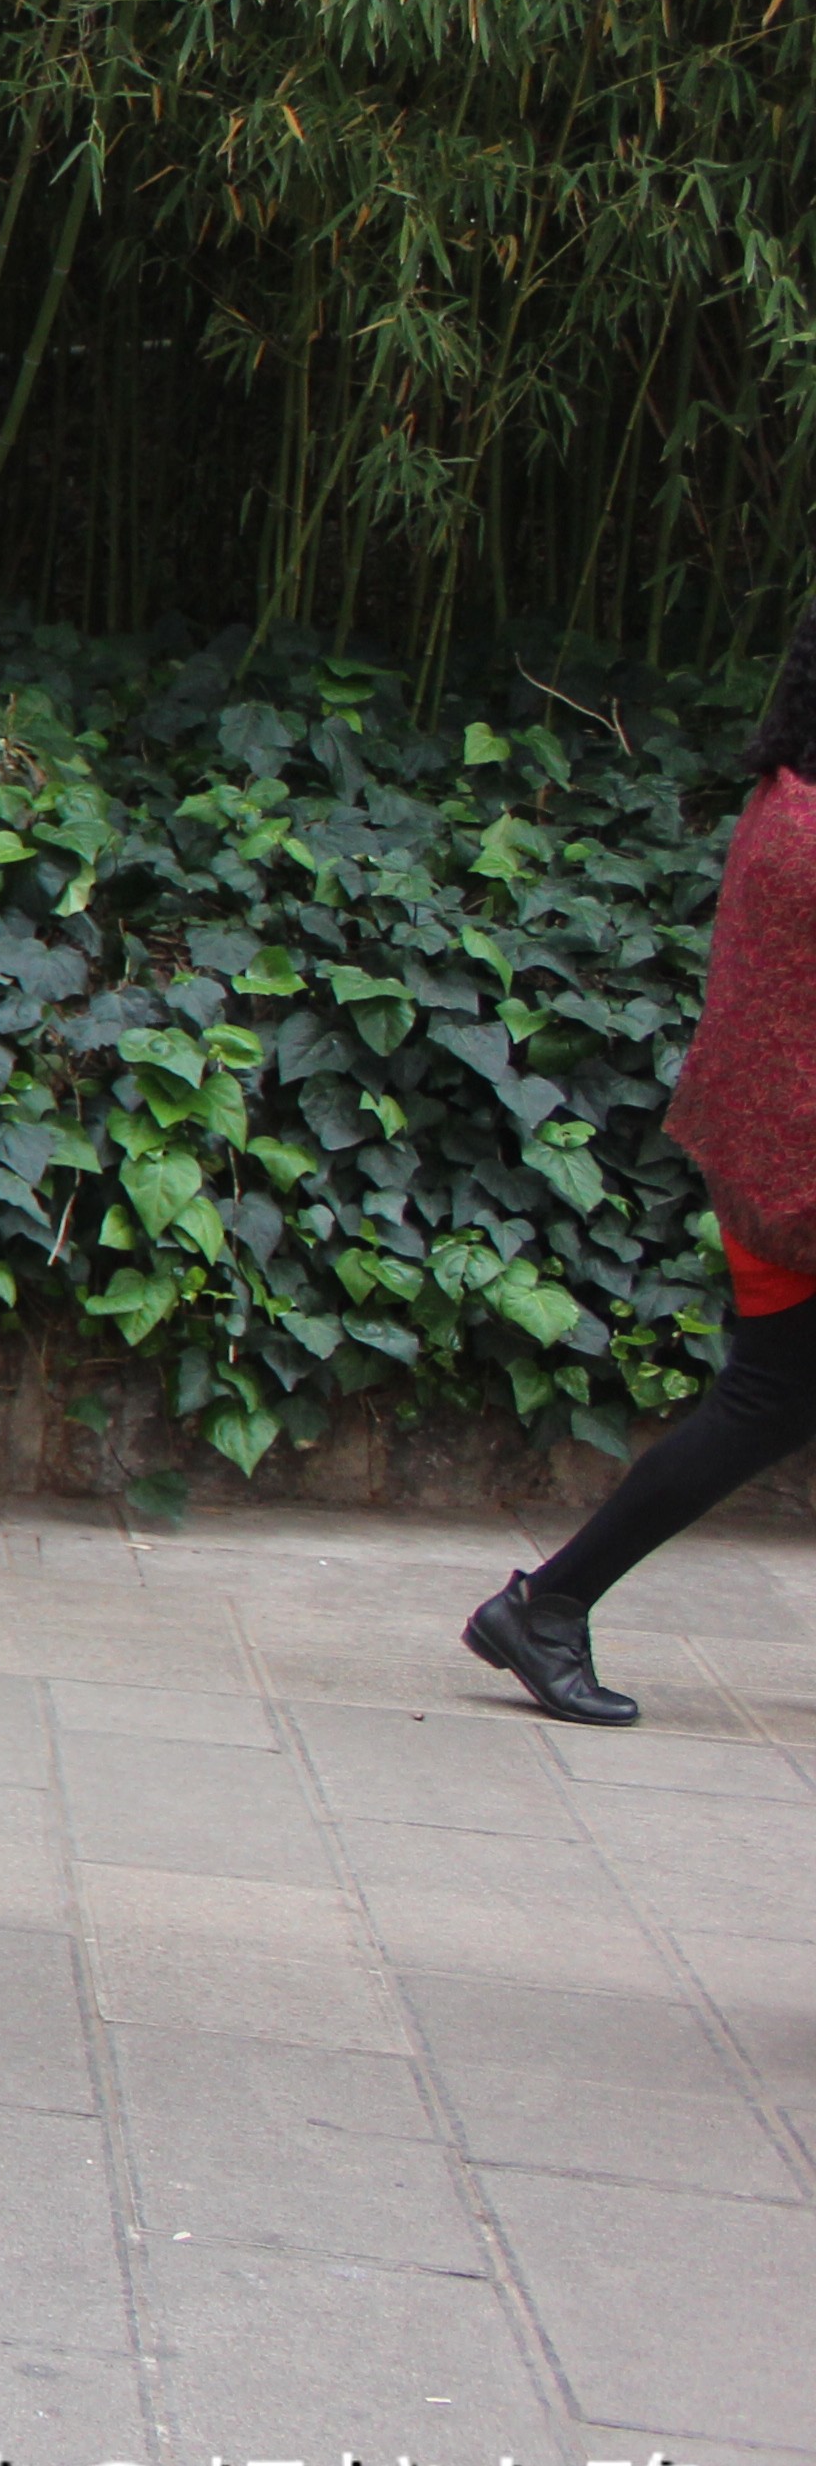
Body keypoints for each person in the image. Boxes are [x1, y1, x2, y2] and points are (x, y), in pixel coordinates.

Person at [469, 604, 816, 1726]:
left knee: (771, 1399)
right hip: (797, 1176)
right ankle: (549, 1603)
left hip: (771, 1157)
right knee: (764, 1401)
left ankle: (550, 1605)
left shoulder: (788, 798)